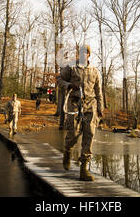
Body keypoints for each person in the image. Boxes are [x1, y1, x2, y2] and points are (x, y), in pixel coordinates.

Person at [58, 45, 103, 181]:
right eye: (82, 52)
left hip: (90, 105)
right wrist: (69, 85)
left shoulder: (94, 71)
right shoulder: (71, 68)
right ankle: (68, 151)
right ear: (79, 54)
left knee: (89, 134)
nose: (84, 54)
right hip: (74, 103)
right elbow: (59, 80)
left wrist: (100, 108)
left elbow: (99, 91)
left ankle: (84, 169)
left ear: (89, 55)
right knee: (73, 134)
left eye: (86, 53)